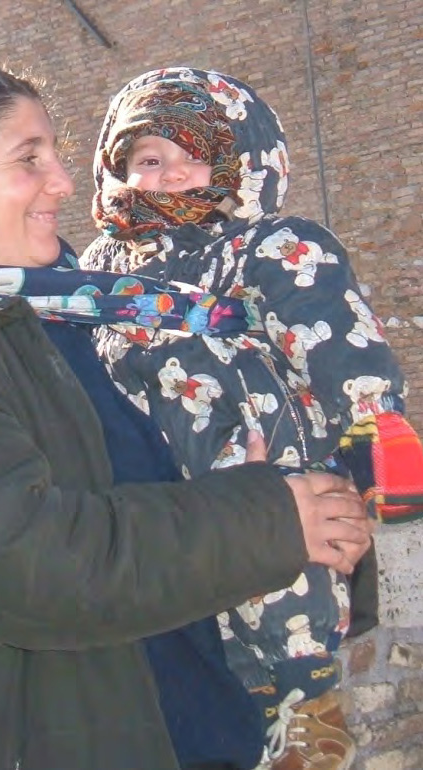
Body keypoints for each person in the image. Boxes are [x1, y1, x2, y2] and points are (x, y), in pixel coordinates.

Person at [0, 58, 372, 770]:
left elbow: (162, 510)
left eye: (56, 155)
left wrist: (295, 502)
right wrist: (264, 520)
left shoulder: (86, 318)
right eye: (28, 160)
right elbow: (25, 566)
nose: (64, 183)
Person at [79, 66, 423, 770]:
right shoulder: (96, 274)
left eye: (193, 154)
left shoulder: (270, 246)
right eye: (148, 159)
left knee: (281, 595)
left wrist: (393, 501)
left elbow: (347, 362)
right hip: (157, 502)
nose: (170, 175)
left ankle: (310, 716)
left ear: (241, 163)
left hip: (267, 474)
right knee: (190, 656)